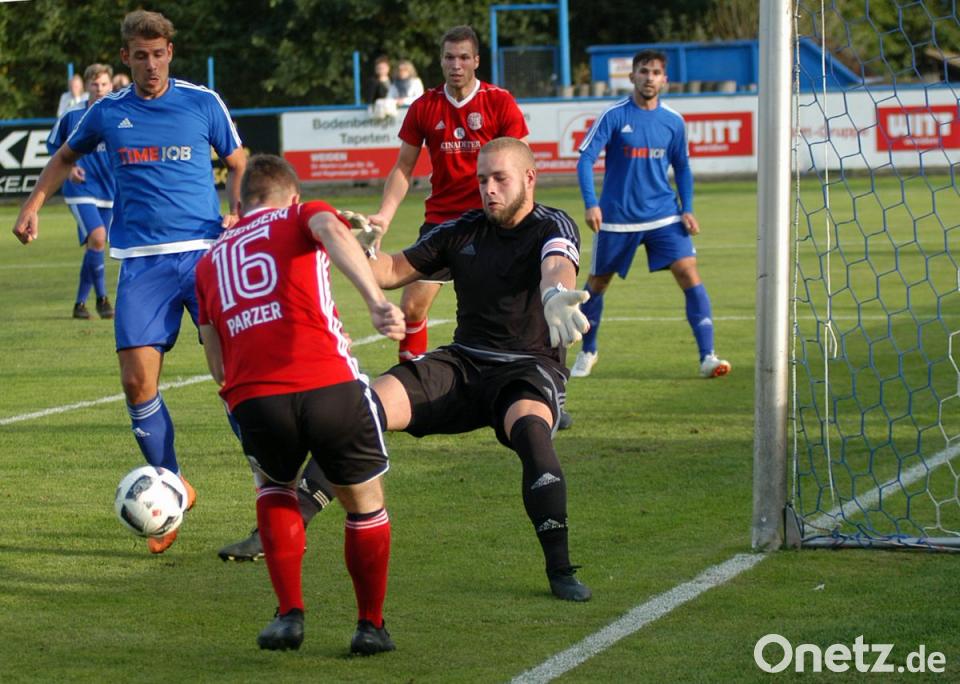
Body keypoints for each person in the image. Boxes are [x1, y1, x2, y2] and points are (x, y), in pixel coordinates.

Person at [11, 9, 247, 554]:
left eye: (159, 54)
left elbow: (239, 161)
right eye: (141, 56)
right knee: (138, 384)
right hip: (142, 263)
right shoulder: (106, 111)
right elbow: (63, 156)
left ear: (170, 52)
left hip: (204, 257)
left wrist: (238, 210)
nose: (151, 64)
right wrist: (33, 204)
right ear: (126, 58)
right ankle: (173, 488)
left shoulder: (202, 102)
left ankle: (273, 494)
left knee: (234, 380)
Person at [367, 137, 592, 602]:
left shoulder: (553, 224)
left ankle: (560, 569)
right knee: (362, 409)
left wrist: (554, 295)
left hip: (527, 368)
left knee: (532, 434)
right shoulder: (461, 230)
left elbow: (556, 266)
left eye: (500, 179)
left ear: (529, 179)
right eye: (482, 179)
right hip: (464, 361)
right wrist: (362, 250)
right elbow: (389, 272)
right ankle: (293, 517)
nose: (488, 189)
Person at [195, 154, 404, 654]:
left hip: (255, 399)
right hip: (327, 383)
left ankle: (288, 616)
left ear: (243, 201)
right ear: (291, 196)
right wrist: (375, 300)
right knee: (364, 502)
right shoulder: (303, 214)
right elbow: (331, 232)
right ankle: (370, 626)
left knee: (275, 488)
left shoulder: (208, 261)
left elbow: (217, 363)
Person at [368, 25, 528, 365]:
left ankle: (523, 375)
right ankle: (413, 382)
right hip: (442, 222)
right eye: (450, 57)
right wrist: (384, 215)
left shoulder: (499, 101)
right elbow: (403, 168)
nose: (456, 65)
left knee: (504, 311)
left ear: (476, 61)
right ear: (441, 60)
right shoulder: (425, 106)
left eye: (464, 58)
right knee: (412, 307)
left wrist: (520, 216)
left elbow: (522, 162)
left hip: (491, 221)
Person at [571, 49, 731, 380]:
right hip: (617, 217)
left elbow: (682, 167)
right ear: (632, 77)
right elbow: (585, 159)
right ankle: (588, 351)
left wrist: (687, 209)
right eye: (643, 71)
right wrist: (591, 203)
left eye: (656, 72)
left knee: (688, 271)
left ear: (664, 80)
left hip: (664, 215)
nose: (649, 78)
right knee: (598, 283)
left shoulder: (673, 121)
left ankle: (708, 357)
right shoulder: (614, 115)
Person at [46, 63, 116, 320]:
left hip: (109, 190)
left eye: (104, 84)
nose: (99, 89)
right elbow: (52, 144)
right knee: (97, 237)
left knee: (95, 246)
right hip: (80, 188)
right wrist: (69, 168)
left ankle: (79, 304)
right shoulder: (73, 114)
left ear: (111, 86)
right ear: (87, 86)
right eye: (95, 84)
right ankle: (103, 299)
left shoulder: (119, 114)